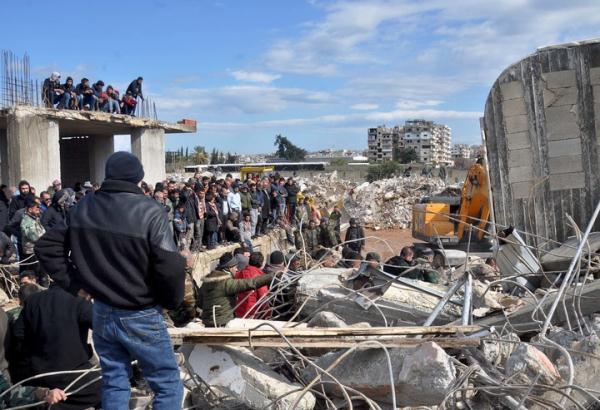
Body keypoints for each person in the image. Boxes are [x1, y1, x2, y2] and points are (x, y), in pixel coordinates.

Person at [35, 151, 186, 409]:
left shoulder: (84, 205)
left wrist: (76, 284)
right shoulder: (151, 210)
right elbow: (170, 265)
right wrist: (171, 301)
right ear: (138, 178)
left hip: (102, 311)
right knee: (167, 382)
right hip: (140, 313)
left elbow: (46, 246)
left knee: (115, 381)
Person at [11, 285, 101, 409]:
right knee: (107, 385)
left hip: (38, 374)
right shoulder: (79, 300)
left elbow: (18, 334)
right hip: (72, 375)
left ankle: (46, 402)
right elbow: (101, 326)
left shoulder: (33, 300)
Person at [199, 252, 274, 327]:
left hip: (207, 322)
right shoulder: (226, 283)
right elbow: (251, 283)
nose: (237, 269)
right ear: (229, 268)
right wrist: (272, 276)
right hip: (222, 322)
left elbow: (199, 302)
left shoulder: (206, 283)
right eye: (235, 267)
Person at [234, 252, 270, 319]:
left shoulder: (239, 273)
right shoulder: (260, 277)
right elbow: (264, 298)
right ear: (261, 263)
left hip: (239, 312)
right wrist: (268, 314)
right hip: (252, 313)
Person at [20, 198, 45, 280]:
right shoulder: (27, 221)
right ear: (30, 210)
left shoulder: (35, 218)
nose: (38, 209)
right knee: (35, 274)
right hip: (32, 252)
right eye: (36, 208)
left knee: (41, 273)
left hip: (38, 250)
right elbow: (34, 236)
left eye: (39, 207)